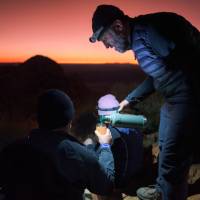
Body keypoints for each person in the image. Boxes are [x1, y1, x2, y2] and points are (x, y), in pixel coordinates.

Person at [89, 5, 200, 200]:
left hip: (188, 97)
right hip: (174, 99)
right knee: (165, 147)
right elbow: (159, 75)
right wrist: (129, 100)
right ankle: (162, 190)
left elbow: (188, 58)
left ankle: (170, 195)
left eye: (105, 39)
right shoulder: (139, 39)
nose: (107, 46)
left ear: (117, 26)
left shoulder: (151, 31)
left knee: (174, 156)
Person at [0, 89, 115, 200]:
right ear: (69, 122)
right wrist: (105, 145)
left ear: (39, 119)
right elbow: (106, 185)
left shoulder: (11, 150)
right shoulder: (78, 154)